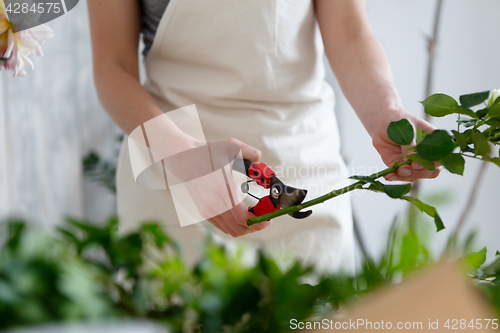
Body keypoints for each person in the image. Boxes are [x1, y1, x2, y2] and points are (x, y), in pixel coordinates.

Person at [87, 0, 440, 273]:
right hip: (174, 170)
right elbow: (112, 67)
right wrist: (182, 156)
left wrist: (385, 111)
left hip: (304, 172)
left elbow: (349, 32)